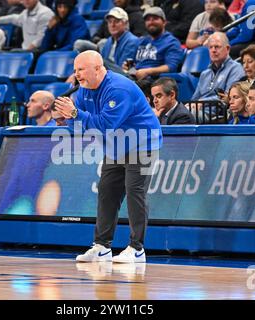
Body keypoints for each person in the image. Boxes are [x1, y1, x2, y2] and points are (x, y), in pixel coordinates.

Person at [54, 51, 162, 263]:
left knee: (135, 192)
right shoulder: (84, 91)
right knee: (106, 193)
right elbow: (84, 126)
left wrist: (74, 114)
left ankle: (137, 249)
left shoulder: (118, 89)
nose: (77, 75)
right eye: (75, 70)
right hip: (116, 148)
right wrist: (66, 120)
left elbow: (104, 125)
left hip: (142, 143)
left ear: (97, 68)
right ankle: (102, 247)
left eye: (81, 70)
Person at [122, 6, 186, 81]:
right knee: (109, 67)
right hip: (135, 78)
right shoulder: (141, 41)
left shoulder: (171, 42)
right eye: (148, 20)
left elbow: (170, 67)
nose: (151, 22)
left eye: (155, 19)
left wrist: (147, 72)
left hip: (155, 80)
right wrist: (129, 68)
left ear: (164, 22)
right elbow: (130, 62)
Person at [191, 32, 245, 101]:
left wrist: (201, 102)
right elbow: (194, 99)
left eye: (217, 47)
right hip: (199, 110)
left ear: (227, 49)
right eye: (210, 47)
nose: (213, 50)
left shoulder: (236, 69)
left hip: (219, 111)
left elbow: (228, 97)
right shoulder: (205, 74)